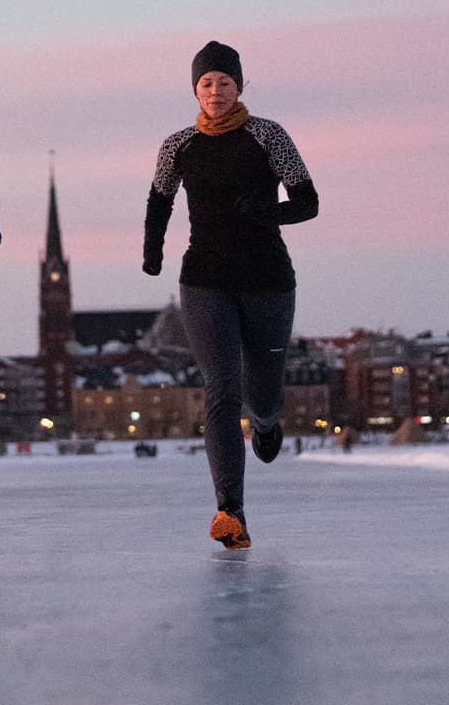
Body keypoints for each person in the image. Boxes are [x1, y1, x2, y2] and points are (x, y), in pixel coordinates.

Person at [142, 41, 317, 550]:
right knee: (221, 390)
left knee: (262, 391)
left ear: (239, 85)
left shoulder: (267, 135)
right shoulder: (178, 145)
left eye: (223, 81)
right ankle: (230, 512)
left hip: (267, 280)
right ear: (194, 90)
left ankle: (266, 423)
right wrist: (153, 251)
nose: (214, 91)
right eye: (205, 83)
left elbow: (308, 201)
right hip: (204, 281)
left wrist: (270, 212)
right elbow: (159, 201)